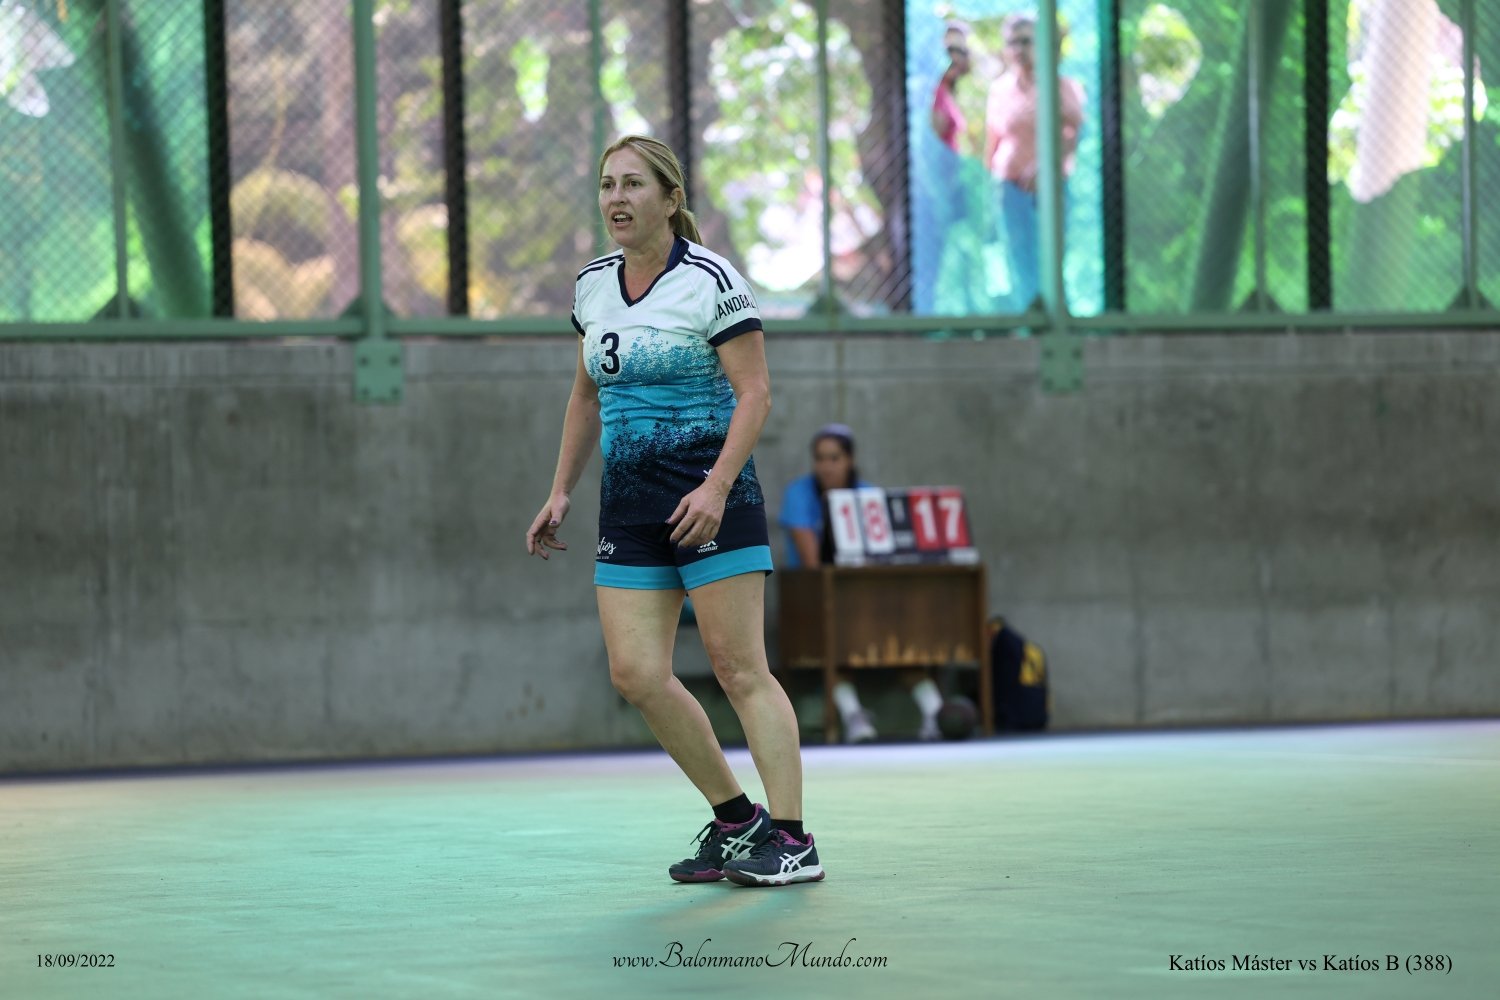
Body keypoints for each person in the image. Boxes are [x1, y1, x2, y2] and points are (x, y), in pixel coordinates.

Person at [526, 134, 823, 888]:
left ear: (670, 198)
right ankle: (736, 822)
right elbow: (585, 396)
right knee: (635, 673)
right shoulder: (592, 286)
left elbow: (755, 393)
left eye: (633, 184)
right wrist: (560, 489)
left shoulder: (711, 280)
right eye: (607, 185)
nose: (616, 198)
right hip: (629, 509)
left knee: (738, 668)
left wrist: (716, 487)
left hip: (713, 502)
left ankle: (793, 840)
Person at [777, 423, 946, 743]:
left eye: (834, 458)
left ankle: (936, 712)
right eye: (820, 458)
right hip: (814, 599)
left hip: (865, 599)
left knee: (905, 629)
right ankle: (852, 714)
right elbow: (813, 565)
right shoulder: (798, 494)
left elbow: (880, 559)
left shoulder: (868, 494)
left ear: (850, 460)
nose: (826, 466)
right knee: (840, 634)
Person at [983, 12, 1086, 313]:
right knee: (1017, 256)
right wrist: (991, 184)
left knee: (1050, 256)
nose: (1019, 49)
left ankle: (1055, 316)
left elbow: (1076, 131)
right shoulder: (1000, 89)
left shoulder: (1060, 86)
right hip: (1009, 187)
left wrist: (1047, 165)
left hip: (1050, 188)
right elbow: (994, 140)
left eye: (1026, 41)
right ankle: (1028, 318)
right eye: (1012, 42)